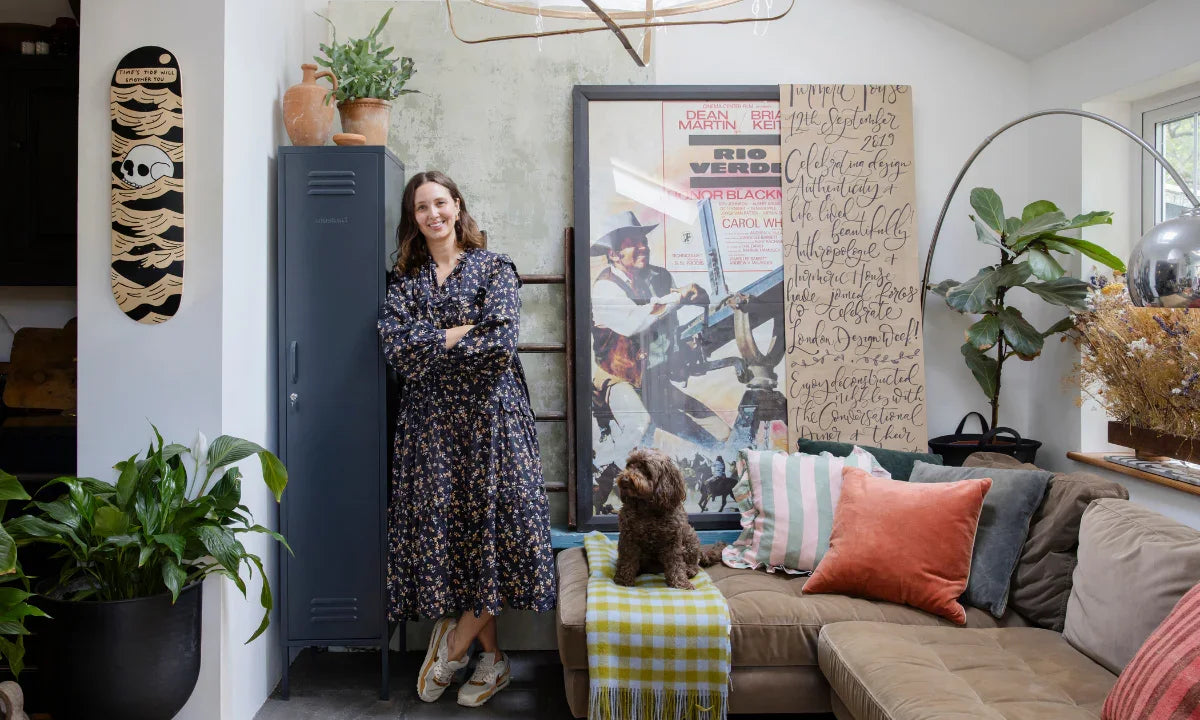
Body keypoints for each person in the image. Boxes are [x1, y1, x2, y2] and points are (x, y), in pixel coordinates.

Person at [377, 170, 555, 707]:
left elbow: (500, 343)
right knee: (454, 537)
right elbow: (398, 351)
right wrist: (458, 333)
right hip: (429, 428)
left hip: (492, 421)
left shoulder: (494, 267)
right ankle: (493, 661)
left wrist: (431, 343)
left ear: (457, 206)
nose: (432, 214)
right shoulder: (403, 279)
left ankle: (455, 644)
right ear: (414, 218)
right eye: (421, 208)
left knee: (496, 529)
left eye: (440, 203)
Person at [590, 210, 725, 466]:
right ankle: (597, 470)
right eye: (633, 243)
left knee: (713, 426)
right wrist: (679, 297)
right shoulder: (605, 287)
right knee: (640, 424)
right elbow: (635, 322)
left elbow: (669, 323)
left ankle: (729, 460)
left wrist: (699, 297)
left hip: (651, 377)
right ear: (614, 254)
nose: (643, 247)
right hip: (617, 377)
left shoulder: (658, 278)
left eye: (644, 241)